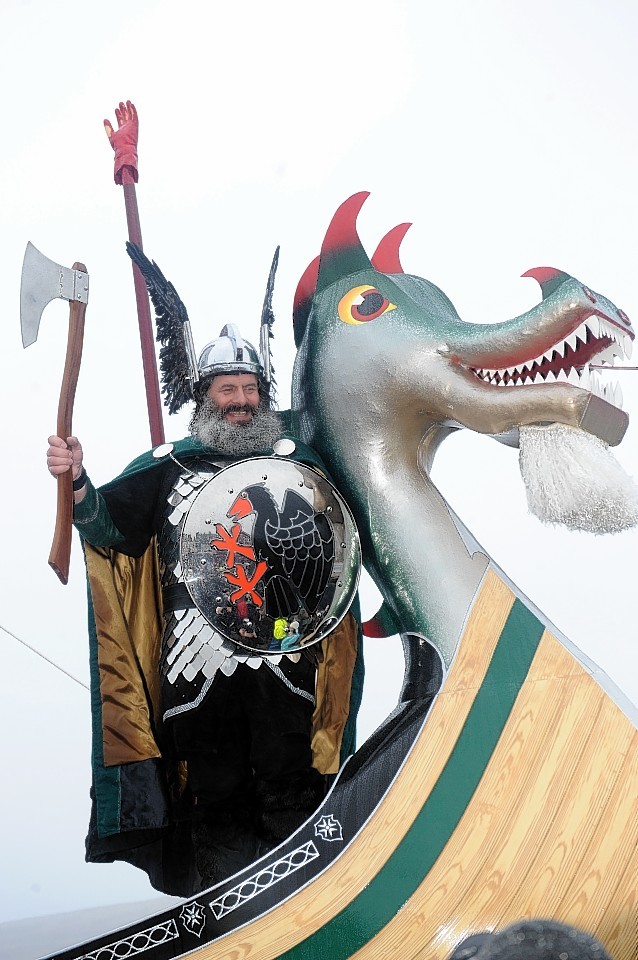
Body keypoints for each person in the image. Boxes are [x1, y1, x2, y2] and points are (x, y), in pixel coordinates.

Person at [47, 324, 363, 895]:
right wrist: (76, 483)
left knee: (289, 784)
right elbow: (108, 528)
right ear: (204, 396)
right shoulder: (166, 467)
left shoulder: (298, 464)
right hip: (197, 669)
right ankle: (234, 913)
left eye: (250, 390)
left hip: (283, 661)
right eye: (228, 390)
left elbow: (340, 538)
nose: (242, 402)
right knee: (215, 796)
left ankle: (306, 897)